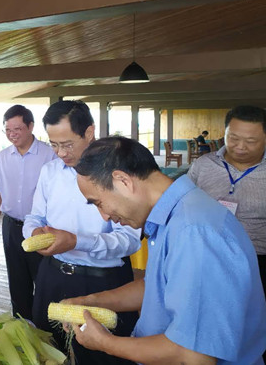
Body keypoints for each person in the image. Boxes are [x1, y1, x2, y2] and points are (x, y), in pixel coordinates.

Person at [69, 136, 266, 364]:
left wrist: (105, 343)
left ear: (123, 181)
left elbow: (192, 356)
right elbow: (157, 287)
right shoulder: (174, 216)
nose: (104, 216)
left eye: (99, 203)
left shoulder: (194, 232)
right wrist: (91, 301)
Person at [24, 101, 140, 364]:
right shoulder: (50, 172)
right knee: (48, 351)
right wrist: (35, 232)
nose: (60, 153)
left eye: (67, 144)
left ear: (89, 132)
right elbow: (34, 217)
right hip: (53, 276)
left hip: (102, 282)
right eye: (54, 145)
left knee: (102, 357)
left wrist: (76, 241)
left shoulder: (118, 173)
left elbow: (130, 241)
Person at [188, 105, 266, 300]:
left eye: (251, 141)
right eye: (233, 138)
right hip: (206, 254)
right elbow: (184, 204)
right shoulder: (203, 164)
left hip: (256, 258)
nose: (240, 146)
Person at [0, 104, 56, 320]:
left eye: (17, 129)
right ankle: (22, 327)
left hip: (41, 229)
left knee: (43, 281)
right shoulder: (2, 157)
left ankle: (45, 329)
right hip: (11, 226)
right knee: (17, 283)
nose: (12, 134)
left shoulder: (49, 155)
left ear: (31, 126)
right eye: (8, 130)